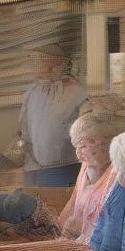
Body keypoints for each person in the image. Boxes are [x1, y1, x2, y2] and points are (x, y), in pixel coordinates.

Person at [17, 42, 88, 187]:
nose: (32, 61)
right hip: (36, 171)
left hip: (66, 170)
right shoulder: (32, 92)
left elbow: (86, 130)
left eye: (36, 58)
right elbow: (24, 131)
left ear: (54, 62)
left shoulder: (75, 91)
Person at [57, 112, 119, 243]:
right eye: (76, 147)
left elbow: (108, 223)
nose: (78, 154)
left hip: (95, 242)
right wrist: (56, 230)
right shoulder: (86, 165)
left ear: (102, 144)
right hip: (74, 238)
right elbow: (73, 202)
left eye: (83, 146)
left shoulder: (116, 173)